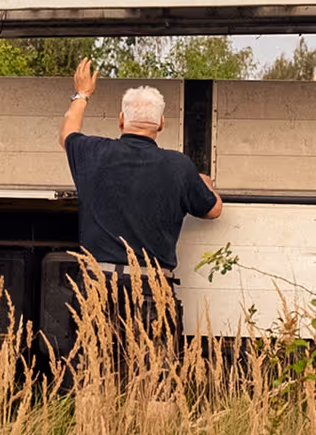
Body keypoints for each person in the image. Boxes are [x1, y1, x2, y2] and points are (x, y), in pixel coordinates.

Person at [58, 59, 221, 356]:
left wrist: (82, 93)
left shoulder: (93, 152)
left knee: (93, 378)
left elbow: (67, 132)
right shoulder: (179, 167)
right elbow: (213, 210)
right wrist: (204, 184)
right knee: (155, 382)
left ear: (121, 120)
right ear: (160, 124)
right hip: (153, 289)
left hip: (98, 284)